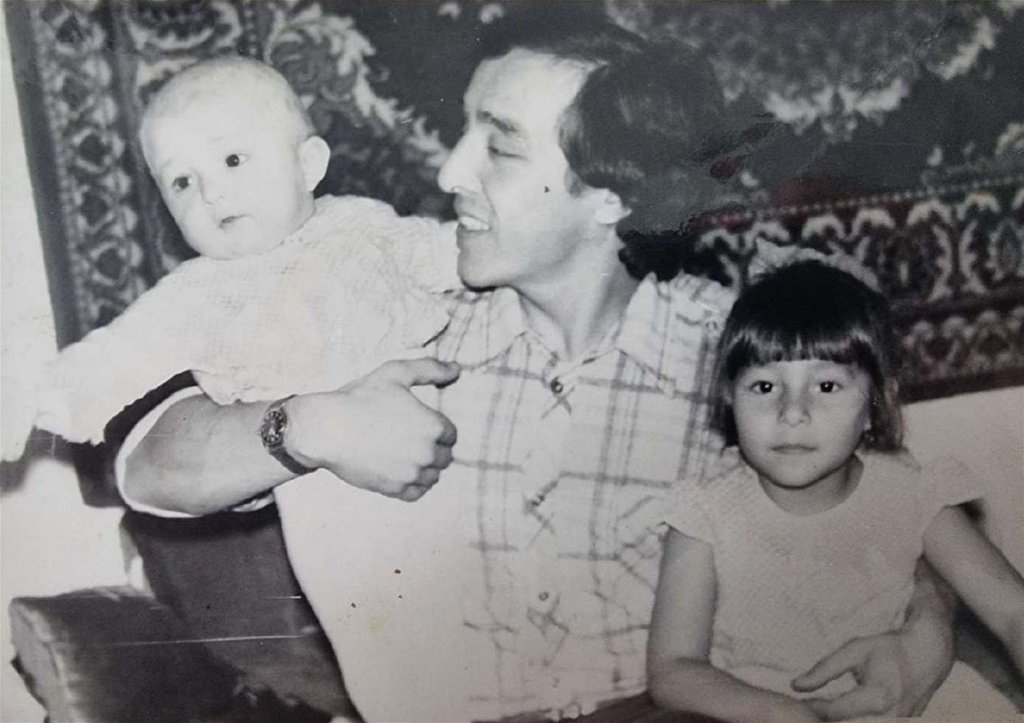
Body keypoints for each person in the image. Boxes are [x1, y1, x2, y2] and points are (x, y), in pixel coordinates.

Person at [120, 11, 956, 722]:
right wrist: (308, 424)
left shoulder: (737, 354)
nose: (450, 170)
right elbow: (149, 469)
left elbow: (903, 521)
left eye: (500, 147)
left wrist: (928, 630)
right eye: (464, 132)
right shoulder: (384, 321)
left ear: (611, 196)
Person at [1, 56, 458, 459]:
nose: (211, 192)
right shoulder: (196, 295)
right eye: (182, 182)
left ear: (307, 166)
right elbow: (113, 356)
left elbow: (445, 250)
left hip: (441, 408)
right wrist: (33, 401)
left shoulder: (362, 221)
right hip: (324, 475)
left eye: (233, 160)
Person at [648, 256, 1024, 722]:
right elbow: (673, 669)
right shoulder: (705, 514)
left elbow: (1013, 612)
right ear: (729, 399)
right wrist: (783, 714)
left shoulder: (913, 492)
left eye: (826, 386)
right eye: (764, 387)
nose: (792, 412)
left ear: (875, 403)